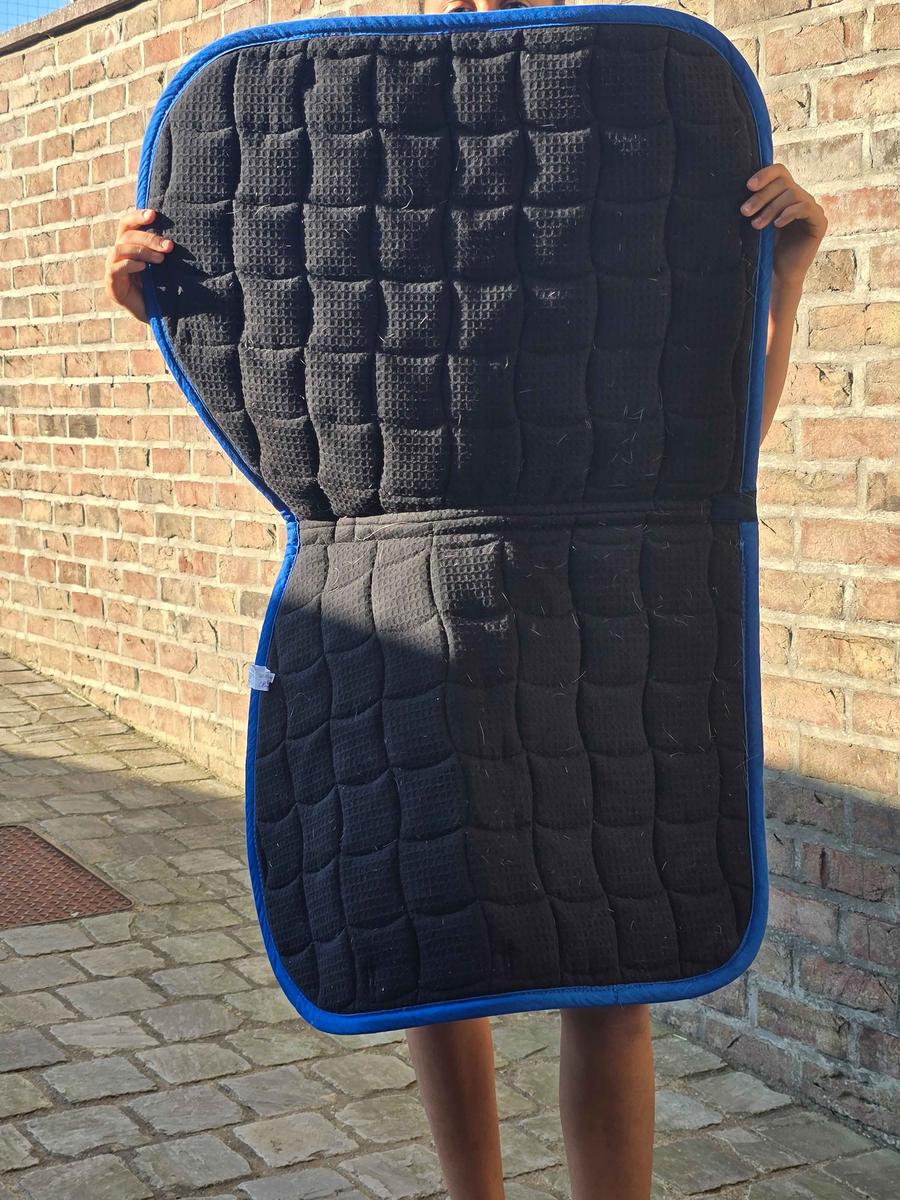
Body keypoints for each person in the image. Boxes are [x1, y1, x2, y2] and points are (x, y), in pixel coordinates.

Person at [104, 2, 827, 1196]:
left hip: (601, 618)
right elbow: (300, 390)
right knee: (439, 952)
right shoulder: (361, 140)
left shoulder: (628, 129)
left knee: (613, 964)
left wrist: (780, 280)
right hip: (415, 602)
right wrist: (174, 309)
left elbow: (698, 450)